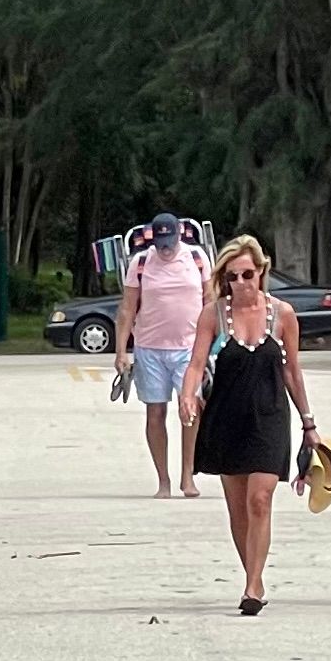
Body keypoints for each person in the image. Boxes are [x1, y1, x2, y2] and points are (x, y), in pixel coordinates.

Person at [179, 235, 320, 616]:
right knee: (238, 508)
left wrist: (309, 423)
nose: (240, 283)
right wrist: (188, 394)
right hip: (226, 417)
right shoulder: (213, 314)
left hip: (270, 418)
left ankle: (253, 585)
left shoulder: (283, 314)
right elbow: (195, 363)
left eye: (247, 274)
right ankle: (251, 573)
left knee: (260, 499)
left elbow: (292, 371)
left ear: (261, 272)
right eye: (232, 277)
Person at [113, 212, 214, 499]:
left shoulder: (197, 258)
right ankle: (163, 481)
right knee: (155, 412)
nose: (165, 248)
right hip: (150, 348)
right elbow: (127, 309)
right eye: (160, 243)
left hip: (189, 348)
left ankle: (187, 477)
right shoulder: (141, 263)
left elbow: (210, 300)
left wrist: (211, 344)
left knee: (190, 410)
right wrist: (122, 351)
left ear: (179, 235)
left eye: (169, 242)